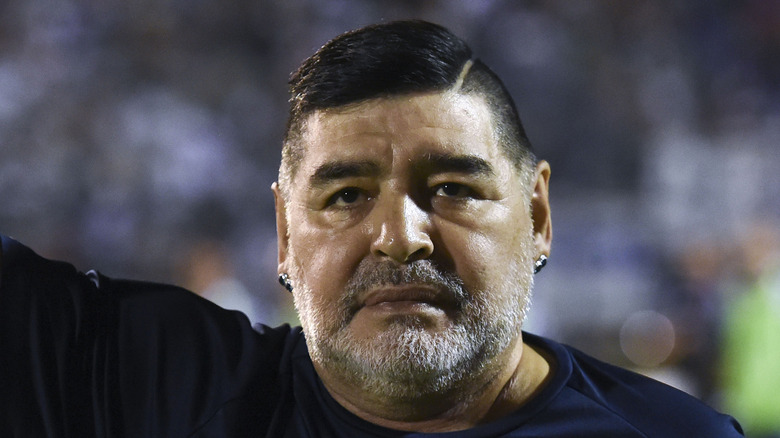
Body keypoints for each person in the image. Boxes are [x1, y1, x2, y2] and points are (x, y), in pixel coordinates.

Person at [0, 20, 742, 437]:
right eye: (347, 195)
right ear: (285, 238)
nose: (400, 236)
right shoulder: (149, 393)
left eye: (452, 188)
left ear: (539, 216)